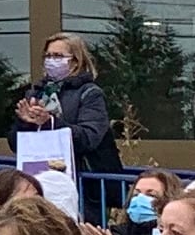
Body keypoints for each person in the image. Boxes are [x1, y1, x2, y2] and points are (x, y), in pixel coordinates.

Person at [8, 34, 122, 192]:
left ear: (75, 62)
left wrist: (50, 122)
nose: (51, 60)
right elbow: (16, 145)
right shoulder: (37, 93)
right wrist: (25, 123)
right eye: (47, 56)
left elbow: (89, 138)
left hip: (85, 185)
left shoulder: (90, 93)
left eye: (57, 56)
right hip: (40, 181)